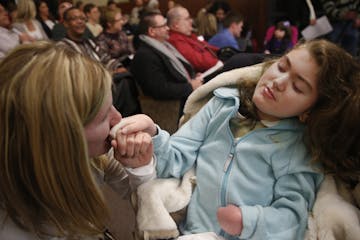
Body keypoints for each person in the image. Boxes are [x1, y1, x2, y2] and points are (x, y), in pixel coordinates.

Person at [118, 39, 360, 239]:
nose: (278, 82)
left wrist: (248, 220)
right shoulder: (222, 105)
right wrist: (155, 137)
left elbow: (291, 219)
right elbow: (178, 156)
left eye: (297, 87)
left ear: (309, 111)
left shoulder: (299, 147)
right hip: (191, 231)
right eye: (282, 67)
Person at [0, 41, 155, 239]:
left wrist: (141, 169)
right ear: (59, 136)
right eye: (102, 117)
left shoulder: (94, 157)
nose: (118, 119)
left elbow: (148, 206)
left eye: (112, 106)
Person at [59, 7, 141, 117]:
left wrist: (117, 66)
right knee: (124, 80)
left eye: (83, 19)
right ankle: (125, 117)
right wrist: (106, 73)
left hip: (105, 80)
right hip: (85, 88)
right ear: (65, 23)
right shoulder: (62, 47)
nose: (80, 22)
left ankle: (126, 117)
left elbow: (105, 58)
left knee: (126, 76)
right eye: (75, 19)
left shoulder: (89, 42)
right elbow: (74, 73)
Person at [130, 11, 203, 115]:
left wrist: (193, 76)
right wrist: (190, 87)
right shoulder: (145, 56)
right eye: (163, 26)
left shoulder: (164, 46)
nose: (168, 28)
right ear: (152, 31)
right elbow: (159, 89)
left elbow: (178, 71)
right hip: (174, 105)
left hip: (185, 95)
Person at [167, 6, 221, 73]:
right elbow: (200, 62)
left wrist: (221, 52)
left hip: (215, 65)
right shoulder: (176, 40)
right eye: (187, 19)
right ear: (176, 25)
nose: (191, 21)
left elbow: (209, 48)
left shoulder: (188, 35)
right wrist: (218, 60)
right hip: (207, 73)